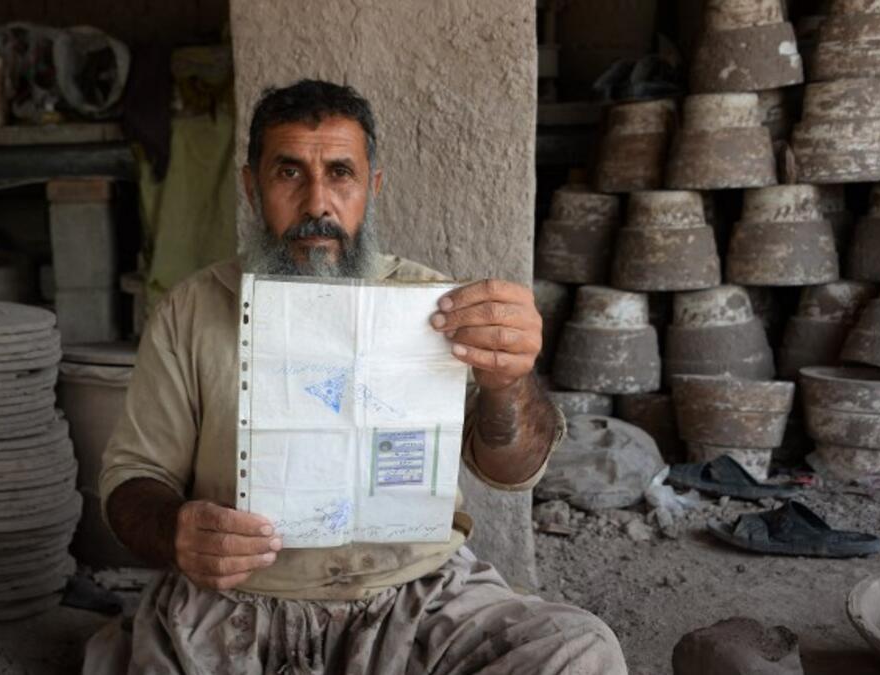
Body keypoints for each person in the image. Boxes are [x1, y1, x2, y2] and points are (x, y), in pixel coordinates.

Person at [83, 79, 628, 674]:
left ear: (372, 186)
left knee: (579, 653)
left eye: (340, 173)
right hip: (237, 605)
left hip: (416, 597)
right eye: (289, 173)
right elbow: (132, 482)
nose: (317, 203)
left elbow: (512, 470)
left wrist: (511, 382)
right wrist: (176, 530)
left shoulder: (436, 306)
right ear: (250, 187)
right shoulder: (191, 310)